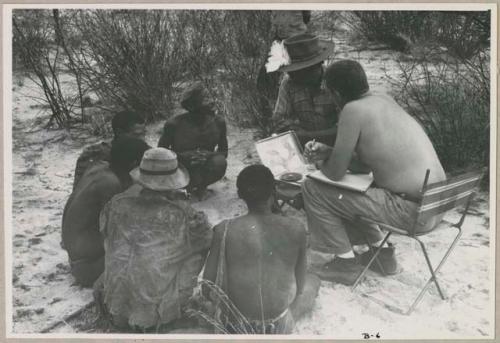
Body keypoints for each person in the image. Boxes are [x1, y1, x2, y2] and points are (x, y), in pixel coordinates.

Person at [302, 60, 446, 285]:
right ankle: (382, 254)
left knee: (312, 188)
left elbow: (334, 174)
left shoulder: (351, 110)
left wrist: (319, 163)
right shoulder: (384, 100)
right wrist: (330, 151)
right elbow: (367, 164)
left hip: (411, 213)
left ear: (337, 93)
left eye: (330, 94)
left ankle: (345, 263)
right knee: (361, 187)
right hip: (435, 207)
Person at [97, 147, 212, 332]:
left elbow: (105, 236)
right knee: (197, 247)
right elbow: (205, 240)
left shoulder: (116, 203)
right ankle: (171, 310)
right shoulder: (184, 214)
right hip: (154, 315)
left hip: (115, 305)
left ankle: (122, 305)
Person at [203, 165, 320, 334]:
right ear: (274, 191)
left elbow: (208, 287)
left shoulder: (224, 229)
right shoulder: (296, 228)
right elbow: (300, 286)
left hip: (236, 325)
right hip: (278, 325)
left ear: (239, 195)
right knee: (313, 281)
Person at [62, 137, 149, 287]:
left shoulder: (99, 168)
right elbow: (118, 229)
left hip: (78, 252)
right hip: (87, 266)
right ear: (134, 164)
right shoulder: (110, 184)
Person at [158, 82, 228, 199]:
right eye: (206, 99)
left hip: (206, 164)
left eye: (212, 96)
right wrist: (183, 156)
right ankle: (184, 187)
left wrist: (208, 155)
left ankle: (202, 187)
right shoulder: (174, 124)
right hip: (181, 167)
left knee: (219, 162)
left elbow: (224, 152)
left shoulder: (219, 122)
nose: (212, 102)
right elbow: (161, 153)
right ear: (191, 106)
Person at [271, 32, 341, 146]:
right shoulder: (288, 82)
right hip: (304, 144)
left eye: (298, 71)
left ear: (317, 65)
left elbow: (348, 125)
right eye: (291, 70)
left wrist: (309, 136)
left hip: (336, 144)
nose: (292, 75)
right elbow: (280, 121)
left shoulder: (335, 80)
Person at [73, 110, 147, 189]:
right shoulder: (94, 154)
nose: (143, 139)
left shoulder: (147, 153)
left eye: (144, 134)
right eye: (136, 135)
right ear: (119, 133)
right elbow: (81, 192)